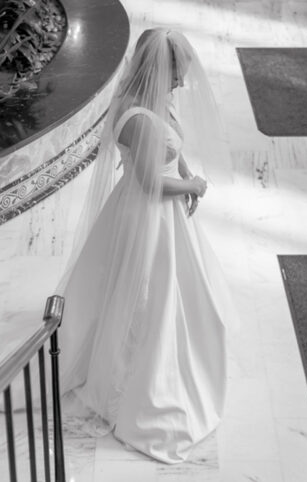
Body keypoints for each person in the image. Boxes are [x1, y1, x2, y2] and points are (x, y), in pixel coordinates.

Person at [57, 28, 238, 464]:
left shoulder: (156, 101)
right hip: (148, 218)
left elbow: (170, 146)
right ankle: (145, 387)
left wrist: (187, 171)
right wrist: (191, 184)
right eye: (178, 74)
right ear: (161, 69)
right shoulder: (136, 117)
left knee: (182, 295)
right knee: (148, 297)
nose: (181, 84)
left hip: (166, 216)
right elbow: (149, 181)